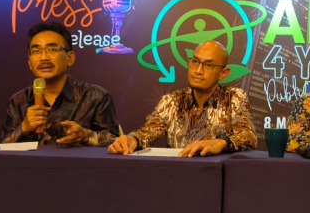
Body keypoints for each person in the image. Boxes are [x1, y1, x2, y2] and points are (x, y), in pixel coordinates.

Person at [109, 41, 257, 157]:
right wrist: (132, 139)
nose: (198, 71)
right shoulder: (172, 101)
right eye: (195, 62)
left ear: (223, 73)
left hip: (216, 175)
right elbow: (148, 132)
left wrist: (220, 143)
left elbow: (248, 136)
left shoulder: (233, 97)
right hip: (178, 174)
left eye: (208, 65)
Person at [2, 21, 119, 146]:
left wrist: (86, 135)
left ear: (70, 58)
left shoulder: (95, 97)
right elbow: (1, 149)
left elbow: (115, 143)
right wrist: (23, 128)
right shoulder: (18, 102)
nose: (44, 58)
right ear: (30, 63)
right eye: (36, 51)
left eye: (52, 49)